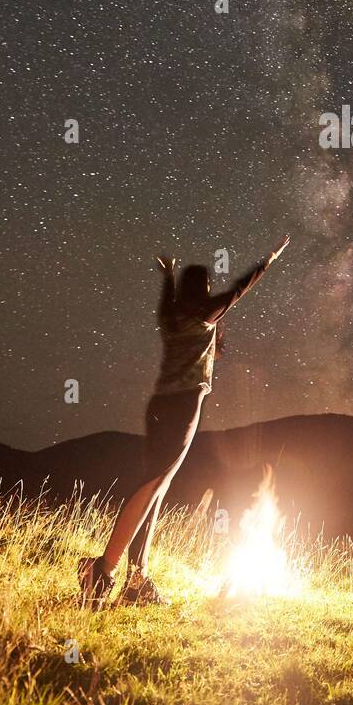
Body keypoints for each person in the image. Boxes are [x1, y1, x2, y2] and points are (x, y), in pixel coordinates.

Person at [78, 236, 290, 607]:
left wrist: (168, 275)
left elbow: (169, 298)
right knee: (153, 484)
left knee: (156, 490)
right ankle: (101, 571)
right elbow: (240, 289)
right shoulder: (203, 314)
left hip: (160, 405)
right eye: (207, 287)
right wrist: (269, 260)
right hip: (183, 408)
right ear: (203, 290)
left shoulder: (172, 315)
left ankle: (136, 581)